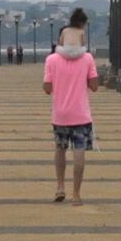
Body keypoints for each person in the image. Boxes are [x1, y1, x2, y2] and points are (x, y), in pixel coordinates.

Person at [43, 18, 99, 206]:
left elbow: (47, 88)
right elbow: (94, 86)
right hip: (81, 115)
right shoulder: (88, 58)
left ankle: (60, 186)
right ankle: (76, 194)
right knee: (79, 151)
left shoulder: (51, 59)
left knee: (60, 149)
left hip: (60, 115)